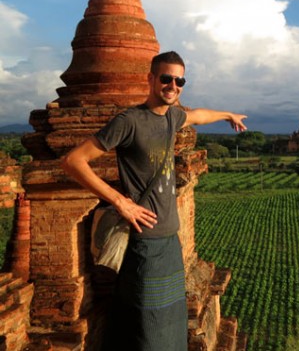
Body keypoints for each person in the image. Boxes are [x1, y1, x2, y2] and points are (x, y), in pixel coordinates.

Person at [61, 51, 247, 350]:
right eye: (166, 78)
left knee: (170, 325)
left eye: (179, 80)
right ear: (150, 79)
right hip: (144, 242)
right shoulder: (129, 121)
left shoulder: (173, 117)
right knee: (149, 329)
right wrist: (121, 202)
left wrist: (228, 115)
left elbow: (199, 115)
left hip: (170, 240)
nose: (172, 85)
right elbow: (73, 161)